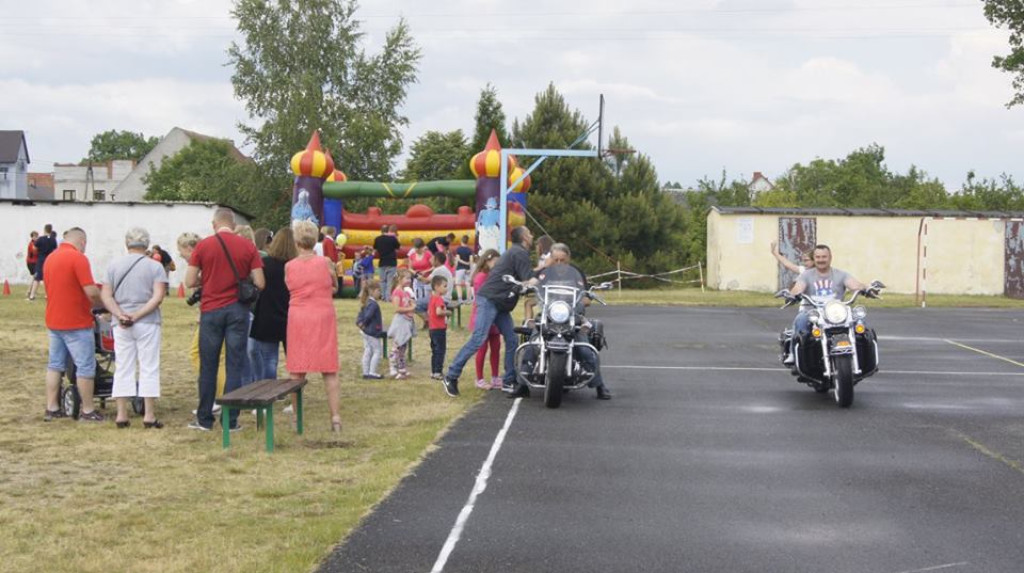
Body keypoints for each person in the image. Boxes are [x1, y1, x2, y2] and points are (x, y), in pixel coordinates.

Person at [185, 208, 265, 432]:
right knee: (234, 365)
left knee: (208, 365)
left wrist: (208, 277)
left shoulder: (203, 246)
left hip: (211, 310)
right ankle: (231, 421)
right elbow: (260, 282)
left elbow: (190, 280)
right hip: (238, 311)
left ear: (214, 224)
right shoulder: (248, 246)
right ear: (233, 223)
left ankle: (204, 419)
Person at [442, 226, 535, 398]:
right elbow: (529, 280)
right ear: (524, 238)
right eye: (529, 233)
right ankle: (451, 376)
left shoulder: (515, 253)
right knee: (479, 338)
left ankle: (508, 380)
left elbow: (528, 279)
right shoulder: (519, 252)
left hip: (500, 303)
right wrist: (545, 271)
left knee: (512, 338)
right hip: (490, 299)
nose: (532, 236)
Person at [101, 228, 168, 428]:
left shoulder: (113, 265)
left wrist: (119, 314)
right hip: (147, 321)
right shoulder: (155, 267)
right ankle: (148, 414)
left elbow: (106, 295)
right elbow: (158, 296)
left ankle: (121, 414)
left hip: (120, 322)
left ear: (127, 243)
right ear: (146, 245)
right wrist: (138, 315)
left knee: (123, 365)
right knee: (149, 365)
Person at [531, 243, 611, 400]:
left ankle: (600, 385)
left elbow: (586, 297)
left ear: (568, 259)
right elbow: (533, 284)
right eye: (556, 260)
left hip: (572, 316)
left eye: (563, 260)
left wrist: (582, 300)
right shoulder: (545, 273)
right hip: (549, 315)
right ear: (551, 259)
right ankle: (521, 383)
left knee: (585, 349)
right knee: (533, 342)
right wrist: (526, 286)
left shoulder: (576, 274)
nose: (559, 263)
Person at [42, 227, 105, 421]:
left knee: (55, 365)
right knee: (85, 367)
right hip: (76, 322)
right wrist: (104, 305)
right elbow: (91, 291)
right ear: (82, 242)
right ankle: (87, 410)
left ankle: (52, 407)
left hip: (54, 320)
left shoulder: (50, 258)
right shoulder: (78, 258)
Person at [285, 221, 342, 432]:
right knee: (329, 369)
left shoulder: (289, 266)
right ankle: (335, 417)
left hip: (299, 316)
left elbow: (290, 286)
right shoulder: (326, 262)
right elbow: (334, 286)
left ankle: (296, 417)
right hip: (323, 314)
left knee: (297, 369)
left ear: (297, 241)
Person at [785, 244, 868, 364]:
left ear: (830, 257)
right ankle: (794, 354)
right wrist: (793, 295)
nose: (821, 260)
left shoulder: (841, 274)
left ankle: (863, 357)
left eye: (824, 257)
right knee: (800, 320)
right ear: (814, 258)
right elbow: (798, 287)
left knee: (861, 324)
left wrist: (867, 288)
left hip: (836, 312)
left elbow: (855, 285)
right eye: (818, 257)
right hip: (812, 312)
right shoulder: (806, 275)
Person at [178, 232, 225, 414]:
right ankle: (219, 396)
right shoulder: (209, 259)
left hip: (211, 314)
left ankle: (218, 397)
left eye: (181, 251)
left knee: (202, 355)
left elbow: (190, 282)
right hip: (214, 312)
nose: (181, 255)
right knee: (213, 357)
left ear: (189, 248)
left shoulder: (200, 262)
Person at [249, 226, 296, 381]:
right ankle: (295, 393)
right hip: (292, 314)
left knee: (269, 358)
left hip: (269, 313)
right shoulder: (296, 266)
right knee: (294, 361)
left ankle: (269, 390)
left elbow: (257, 284)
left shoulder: (265, 264)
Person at [469, 249, 502, 390]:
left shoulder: (491, 276)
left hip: (493, 316)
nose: (497, 264)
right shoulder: (481, 277)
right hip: (482, 316)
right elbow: (485, 296)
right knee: (482, 348)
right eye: (495, 262)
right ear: (488, 261)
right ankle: (479, 378)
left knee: (496, 347)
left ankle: (495, 377)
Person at [387, 269, 416, 379]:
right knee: (397, 345)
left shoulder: (406, 291)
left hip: (407, 321)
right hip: (400, 321)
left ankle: (402, 367)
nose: (409, 280)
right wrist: (411, 307)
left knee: (403, 345)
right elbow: (397, 308)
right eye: (407, 278)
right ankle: (392, 368)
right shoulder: (397, 292)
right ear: (399, 279)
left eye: (410, 278)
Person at [355, 278, 385, 379]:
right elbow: (368, 316)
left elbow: (360, 315)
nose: (379, 292)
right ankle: (372, 372)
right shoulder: (373, 304)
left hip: (365, 331)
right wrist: (364, 323)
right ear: (372, 291)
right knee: (377, 351)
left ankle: (365, 371)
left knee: (368, 350)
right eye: (378, 290)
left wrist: (359, 323)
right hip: (371, 331)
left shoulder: (365, 302)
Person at [428, 275, 452, 380]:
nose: (446, 288)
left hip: (432, 328)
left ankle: (434, 371)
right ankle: (438, 371)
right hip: (439, 328)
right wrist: (447, 312)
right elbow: (438, 312)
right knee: (440, 350)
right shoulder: (439, 299)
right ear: (437, 287)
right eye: (445, 286)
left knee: (434, 350)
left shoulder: (432, 298)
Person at [28, 223, 58, 301]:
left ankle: (32, 296)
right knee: (48, 279)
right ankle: (47, 295)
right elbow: (55, 249)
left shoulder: (41, 239)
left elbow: (34, 248)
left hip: (41, 260)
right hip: (50, 260)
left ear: (45, 229)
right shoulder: (53, 239)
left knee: (37, 278)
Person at [373, 224, 401, 298]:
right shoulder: (392, 239)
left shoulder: (377, 239)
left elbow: (375, 249)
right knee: (390, 281)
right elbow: (398, 248)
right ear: (388, 230)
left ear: (381, 231)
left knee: (382, 281)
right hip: (392, 262)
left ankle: (383, 296)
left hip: (382, 262)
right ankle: (388, 297)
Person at [453, 235, 475, 302]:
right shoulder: (470, 250)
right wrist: (470, 269)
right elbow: (471, 260)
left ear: (461, 241)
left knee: (458, 284)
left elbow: (458, 259)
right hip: (467, 269)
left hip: (460, 268)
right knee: (468, 284)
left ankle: (460, 298)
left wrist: (455, 268)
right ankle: (468, 299)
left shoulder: (458, 249)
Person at [25, 231, 39, 296]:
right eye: (35, 236)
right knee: (34, 277)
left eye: (37, 236)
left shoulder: (35, 243)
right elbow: (35, 252)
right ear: (32, 237)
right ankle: (29, 291)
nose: (36, 237)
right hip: (31, 262)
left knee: (34, 277)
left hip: (33, 262)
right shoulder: (32, 244)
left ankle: (30, 291)